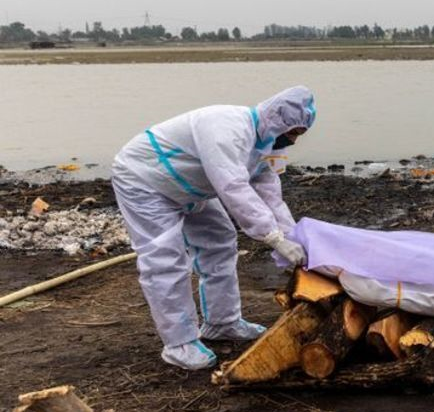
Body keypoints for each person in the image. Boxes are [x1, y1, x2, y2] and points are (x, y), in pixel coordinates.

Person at [111, 86, 316, 370]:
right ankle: (179, 343)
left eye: (300, 134)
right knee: (165, 258)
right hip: (145, 180)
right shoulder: (227, 128)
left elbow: (269, 192)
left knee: (220, 239)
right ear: (277, 120)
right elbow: (233, 187)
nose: (293, 140)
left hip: (191, 186)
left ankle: (222, 322)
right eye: (293, 132)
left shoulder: (267, 143)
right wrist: (273, 237)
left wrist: (292, 236)